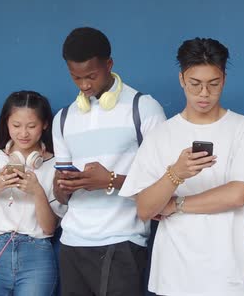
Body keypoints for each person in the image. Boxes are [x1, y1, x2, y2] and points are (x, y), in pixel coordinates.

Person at [119, 37, 244, 296]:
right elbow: (144, 209)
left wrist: (176, 204)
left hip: (227, 275)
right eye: (195, 84)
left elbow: (236, 195)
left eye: (214, 84)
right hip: (173, 275)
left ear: (224, 79)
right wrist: (175, 174)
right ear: (181, 79)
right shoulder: (160, 135)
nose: (204, 94)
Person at [52, 27, 166, 296]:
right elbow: (60, 197)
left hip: (122, 243)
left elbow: (163, 186)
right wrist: (63, 187)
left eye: (91, 76)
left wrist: (110, 181)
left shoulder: (144, 108)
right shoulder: (64, 118)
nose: (84, 85)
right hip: (72, 243)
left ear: (109, 64)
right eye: (75, 77)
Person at [0, 91, 63, 295]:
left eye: (31, 126)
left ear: (45, 125)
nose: (23, 133)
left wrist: (37, 191)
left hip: (37, 255)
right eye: (16, 125)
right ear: (6, 123)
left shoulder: (56, 166)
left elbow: (49, 229)